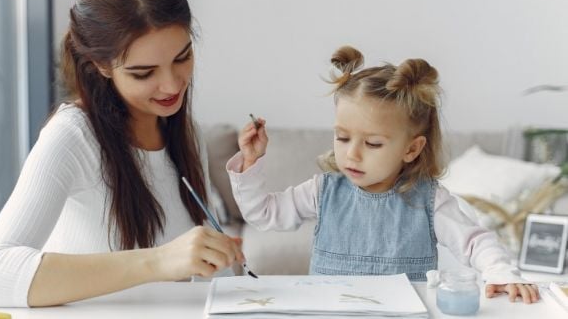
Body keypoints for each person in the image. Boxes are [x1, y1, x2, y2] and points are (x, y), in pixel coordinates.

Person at [0, 0, 244, 307]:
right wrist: (158, 260)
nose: (172, 84)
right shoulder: (72, 137)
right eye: (144, 73)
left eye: (182, 57)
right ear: (101, 65)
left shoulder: (184, 131)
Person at [227, 45, 540, 304]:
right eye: (342, 137)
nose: (352, 153)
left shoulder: (429, 201)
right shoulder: (322, 191)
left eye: (373, 143)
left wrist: (503, 273)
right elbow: (264, 214)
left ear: (411, 149)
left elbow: (476, 242)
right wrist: (252, 161)